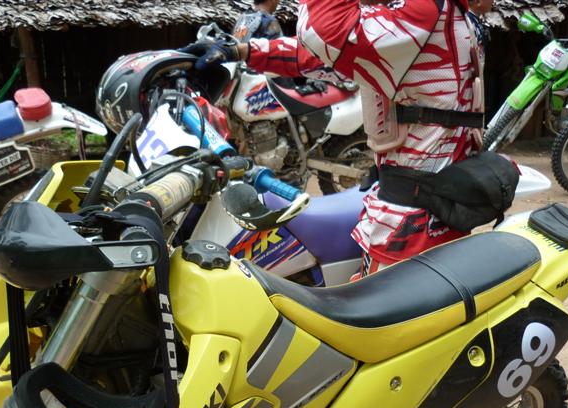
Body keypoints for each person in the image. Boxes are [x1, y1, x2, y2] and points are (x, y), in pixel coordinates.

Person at [184, 0, 507, 277]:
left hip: (414, 221)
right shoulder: (438, 16)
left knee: (385, 325)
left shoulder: (424, 9)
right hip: (423, 203)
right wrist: (239, 51)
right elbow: (315, 56)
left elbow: (325, 31)